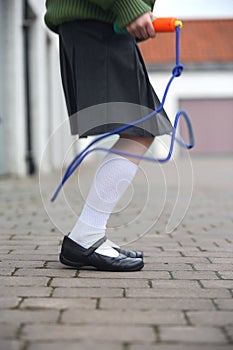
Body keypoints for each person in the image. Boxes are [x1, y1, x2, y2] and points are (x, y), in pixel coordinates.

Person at [44, 0, 173, 272]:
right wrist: (128, 6)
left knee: (141, 128)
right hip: (99, 23)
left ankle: (88, 233)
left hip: (105, 25)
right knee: (141, 129)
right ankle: (86, 236)